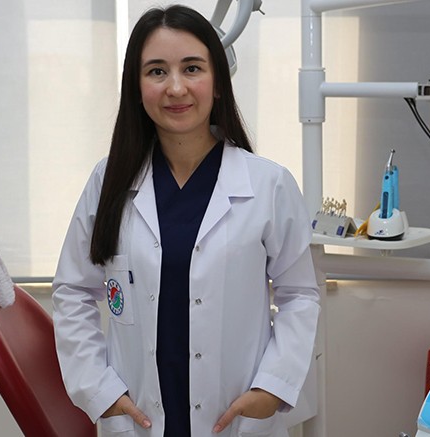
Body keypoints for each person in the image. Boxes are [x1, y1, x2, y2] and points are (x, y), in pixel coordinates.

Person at [52, 5, 320, 437]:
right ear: (137, 87)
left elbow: (299, 295)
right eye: (157, 71)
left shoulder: (268, 184)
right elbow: (73, 291)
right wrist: (99, 390)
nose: (176, 87)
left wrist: (273, 386)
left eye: (192, 68)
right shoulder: (109, 181)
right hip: (138, 414)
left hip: (235, 415)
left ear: (218, 83)